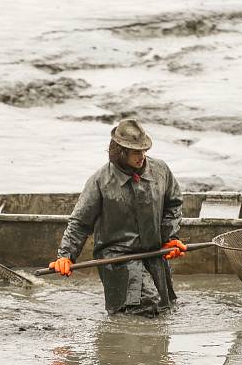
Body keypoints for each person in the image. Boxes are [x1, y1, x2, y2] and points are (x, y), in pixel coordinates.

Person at [48, 119, 187, 315]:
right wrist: (65, 256)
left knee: (166, 307)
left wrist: (170, 238)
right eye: (136, 152)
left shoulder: (160, 170)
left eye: (144, 150)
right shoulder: (100, 181)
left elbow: (173, 204)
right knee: (145, 304)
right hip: (117, 258)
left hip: (153, 253)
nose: (142, 156)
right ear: (121, 152)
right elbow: (79, 223)